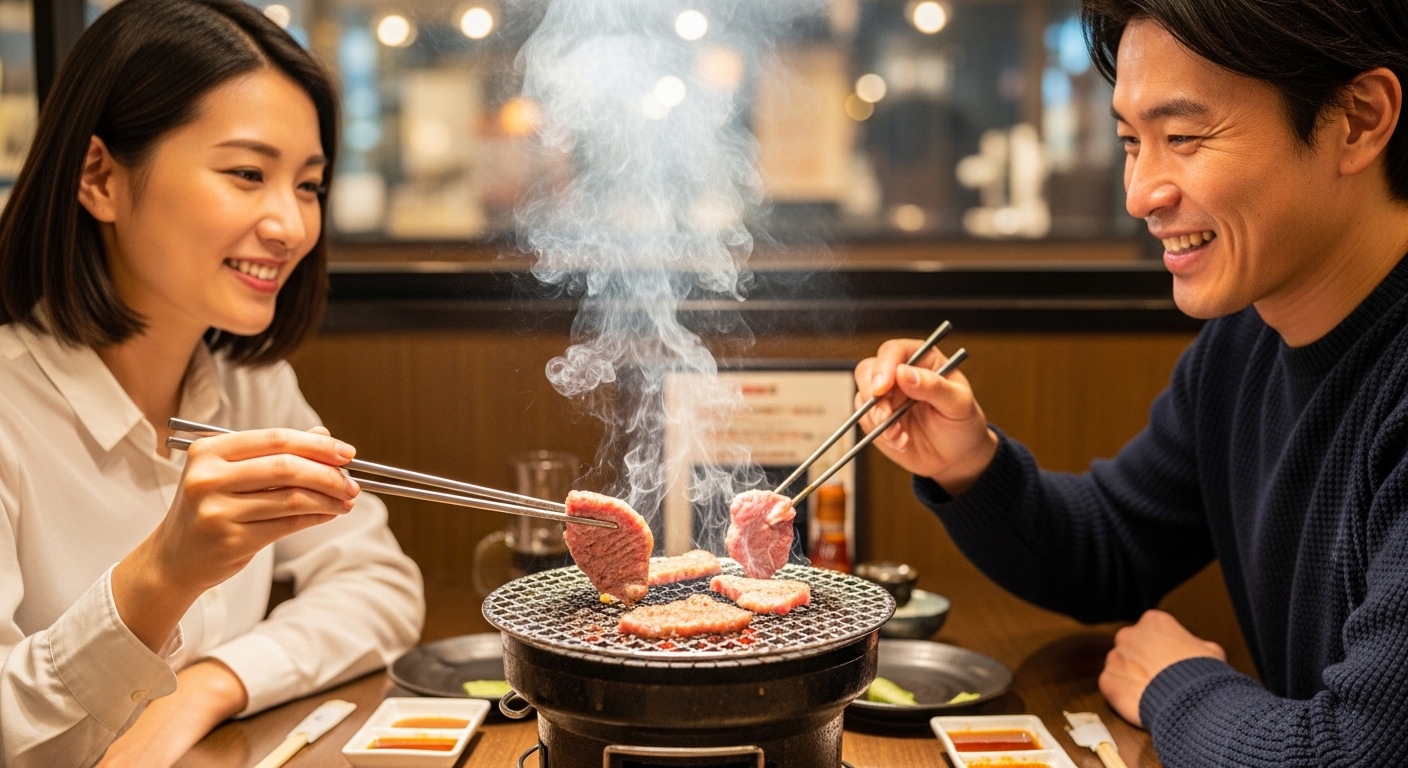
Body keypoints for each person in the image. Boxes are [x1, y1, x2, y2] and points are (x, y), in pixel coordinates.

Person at [856, 0, 1408, 765]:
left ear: (1357, 119)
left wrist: (1176, 682)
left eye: (1182, 138)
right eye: (1129, 142)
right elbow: (1113, 548)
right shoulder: (1245, 343)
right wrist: (966, 463)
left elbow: (1358, 752)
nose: (1141, 193)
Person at [0, 1, 424, 765]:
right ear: (99, 177)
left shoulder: (251, 386)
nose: (291, 225)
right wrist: (160, 577)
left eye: (308, 185)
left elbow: (379, 585)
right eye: (247, 174)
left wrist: (207, 685)